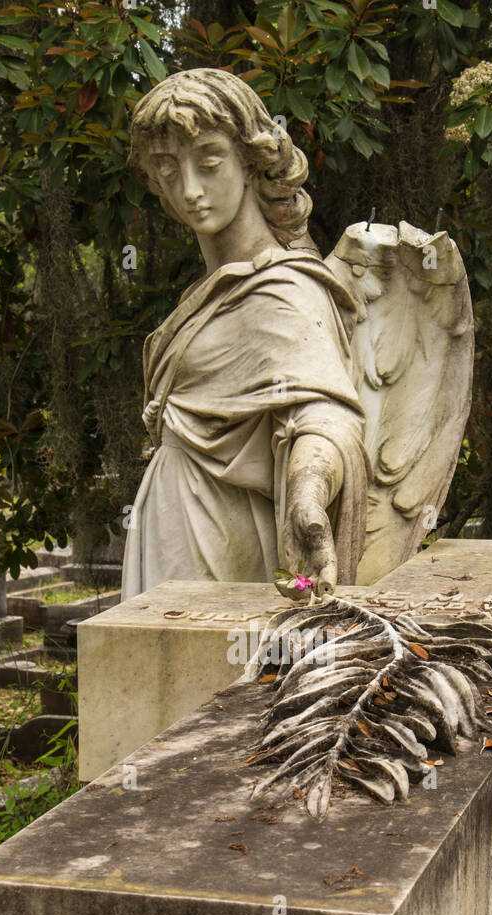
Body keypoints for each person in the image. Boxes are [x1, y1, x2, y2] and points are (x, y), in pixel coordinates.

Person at [121, 68, 370, 600]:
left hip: (218, 537)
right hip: (176, 522)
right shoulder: (214, 291)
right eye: (167, 168)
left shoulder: (285, 289)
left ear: (251, 162)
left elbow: (328, 414)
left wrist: (307, 495)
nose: (189, 189)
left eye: (209, 162)